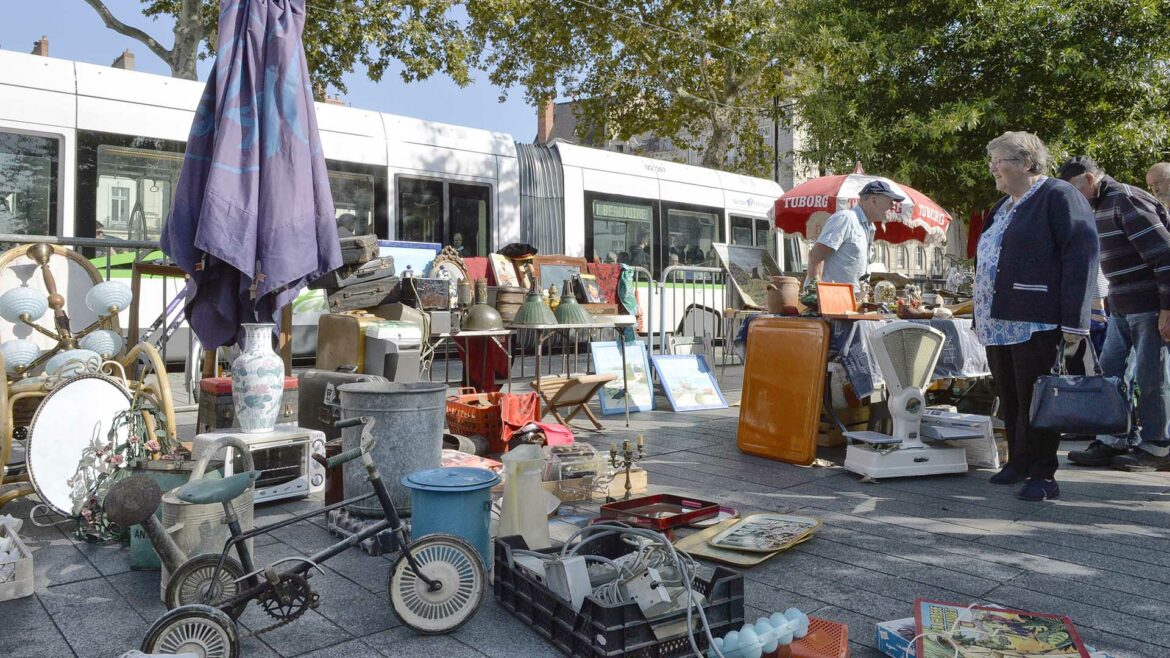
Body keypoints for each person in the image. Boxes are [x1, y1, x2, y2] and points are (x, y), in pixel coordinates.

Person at [975, 132, 1097, 501]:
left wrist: (1075, 321)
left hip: (1035, 318)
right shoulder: (1001, 207)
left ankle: (1044, 474)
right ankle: (1019, 461)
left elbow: (1081, 254)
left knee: (1038, 397)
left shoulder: (1058, 195)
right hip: (998, 320)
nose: (993, 168)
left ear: (1027, 163)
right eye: (992, 161)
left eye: (1000, 160)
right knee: (1010, 396)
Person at [1059, 156, 1170, 472]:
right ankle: (1112, 439)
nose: (1072, 198)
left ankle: (1158, 446)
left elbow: (1165, 255)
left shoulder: (1125, 199)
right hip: (1121, 305)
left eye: (1074, 190)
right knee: (1110, 374)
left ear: (1089, 179)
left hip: (1148, 304)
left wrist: (1167, 309)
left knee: (1151, 377)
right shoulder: (1099, 205)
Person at [804, 180, 902, 294]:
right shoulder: (846, 219)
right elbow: (816, 256)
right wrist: (815, 295)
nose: (893, 206)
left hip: (849, 299)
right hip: (832, 298)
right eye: (890, 201)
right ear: (874, 200)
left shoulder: (869, 227)